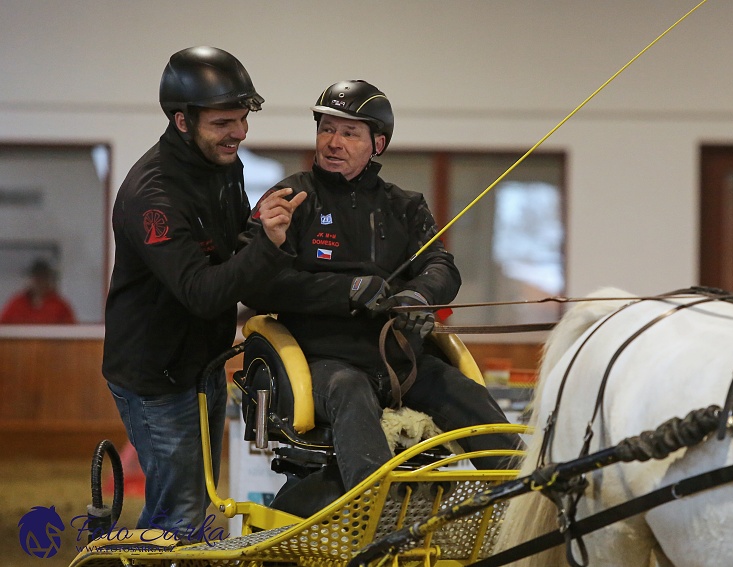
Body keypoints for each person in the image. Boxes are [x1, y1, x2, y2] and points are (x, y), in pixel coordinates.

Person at [243, 80, 524, 515]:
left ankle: (526, 502)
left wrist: (416, 295)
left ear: (379, 143)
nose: (333, 142)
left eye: (349, 132)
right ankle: (374, 518)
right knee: (349, 388)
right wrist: (347, 291)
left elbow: (442, 267)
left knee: (464, 392)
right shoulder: (288, 199)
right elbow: (256, 284)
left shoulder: (406, 206)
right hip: (320, 362)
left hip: (400, 362)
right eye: (326, 129)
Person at [101, 46, 306, 538]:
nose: (238, 132)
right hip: (155, 377)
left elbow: (233, 247)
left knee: (193, 502)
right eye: (223, 122)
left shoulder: (222, 167)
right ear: (182, 121)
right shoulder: (152, 196)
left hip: (203, 363)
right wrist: (266, 243)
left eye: (241, 119)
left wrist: (258, 232)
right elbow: (202, 291)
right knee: (183, 511)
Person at [0, 259, 76, 324]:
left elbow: (71, 332)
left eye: (43, 277)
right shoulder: (17, 303)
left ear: (49, 279)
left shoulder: (60, 306)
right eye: (36, 277)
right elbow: (3, 327)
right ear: (30, 279)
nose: (39, 281)